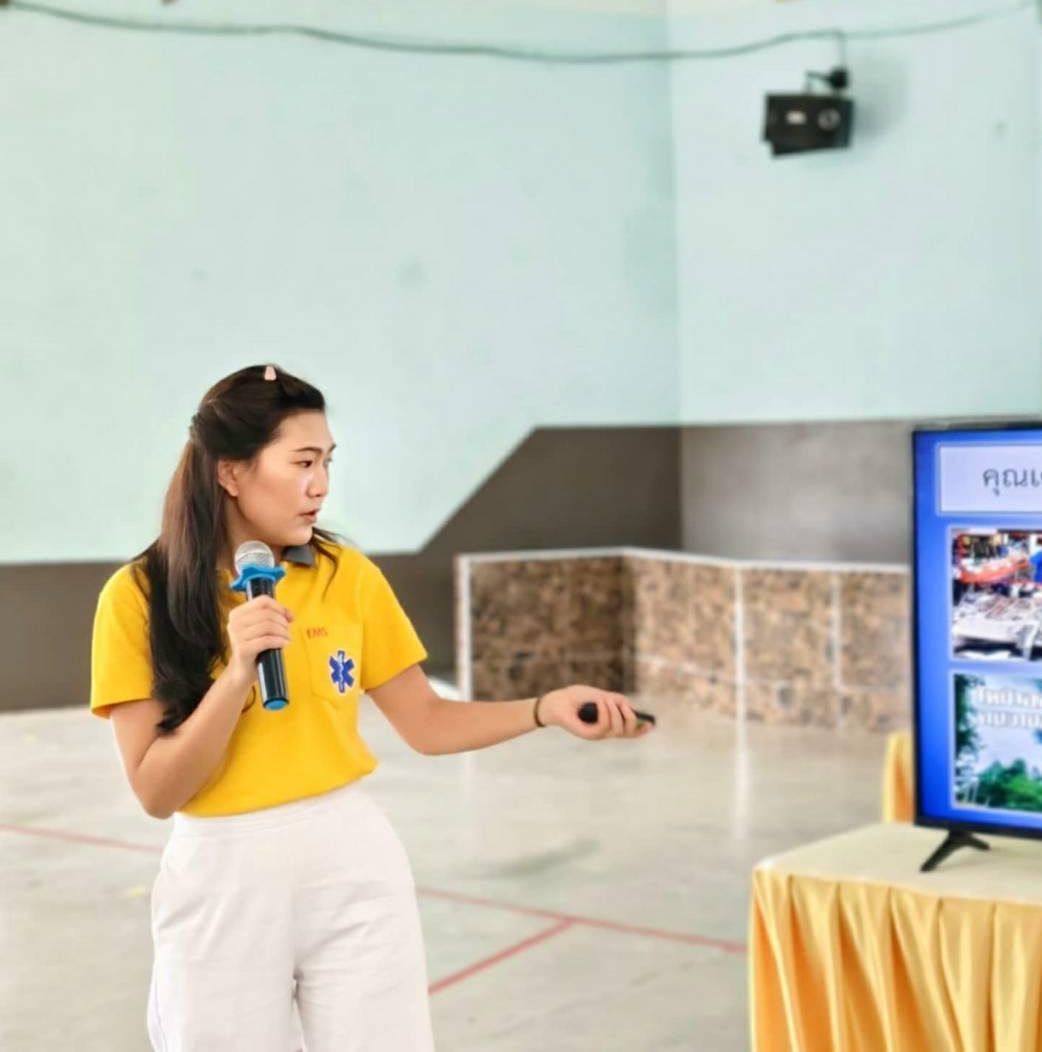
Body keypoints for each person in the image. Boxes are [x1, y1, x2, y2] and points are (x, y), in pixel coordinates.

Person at [90, 365, 653, 1051]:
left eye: (327, 462)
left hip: (350, 859)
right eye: (302, 462)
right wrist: (237, 674)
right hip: (224, 876)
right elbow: (157, 790)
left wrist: (546, 708)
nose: (321, 484)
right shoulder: (138, 597)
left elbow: (427, 722)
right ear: (230, 472)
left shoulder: (346, 576)